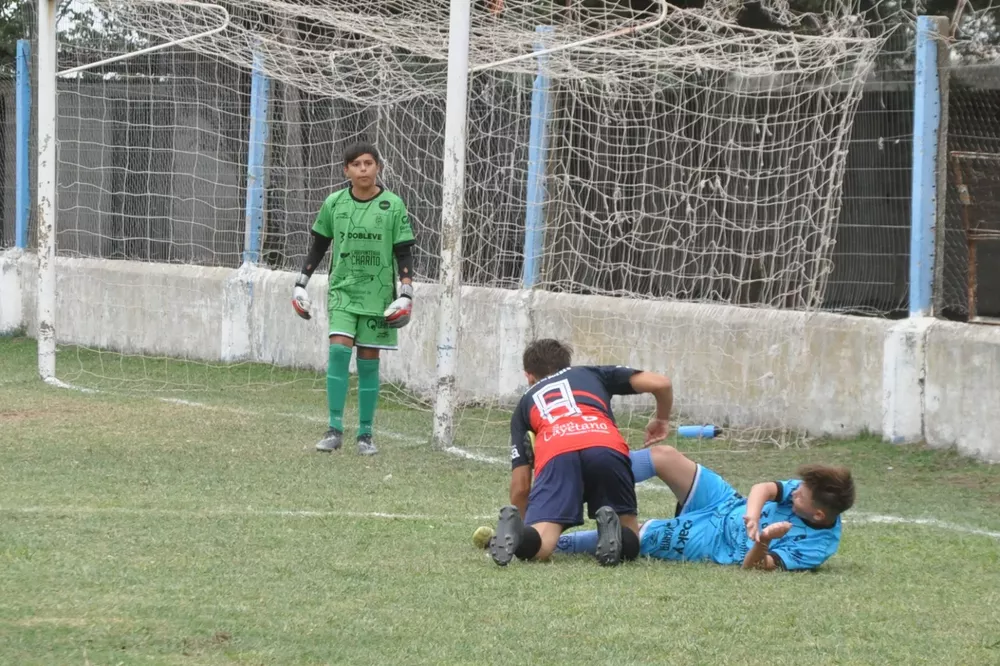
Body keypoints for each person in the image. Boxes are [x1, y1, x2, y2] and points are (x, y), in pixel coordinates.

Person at [489, 339, 674, 567]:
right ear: (567, 364)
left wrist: (527, 523)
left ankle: (520, 536)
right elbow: (661, 383)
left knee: (543, 547)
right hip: (604, 444)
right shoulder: (592, 373)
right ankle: (613, 529)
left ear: (529, 376)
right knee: (630, 537)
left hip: (557, 451)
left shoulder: (524, 405)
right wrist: (662, 419)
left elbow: (521, 485)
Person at [291, 142, 416, 456]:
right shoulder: (334, 203)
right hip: (343, 291)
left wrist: (406, 292)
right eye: (357, 164)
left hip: (378, 296)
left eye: (369, 163)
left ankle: (365, 434)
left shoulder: (393, 205)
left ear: (378, 168)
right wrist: (300, 285)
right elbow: (319, 246)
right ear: (346, 170)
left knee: (369, 361)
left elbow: (404, 251)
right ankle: (334, 429)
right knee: (337, 351)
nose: (363, 169)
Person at [556, 445, 855, 571]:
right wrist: (751, 512)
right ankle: (573, 482)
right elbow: (763, 488)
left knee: (635, 536)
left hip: (715, 541)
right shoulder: (807, 493)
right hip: (725, 501)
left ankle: (554, 544)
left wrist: (764, 541)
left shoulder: (817, 547)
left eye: (801, 496)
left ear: (819, 515)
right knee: (665, 456)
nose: (795, 494)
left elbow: (753, 567)